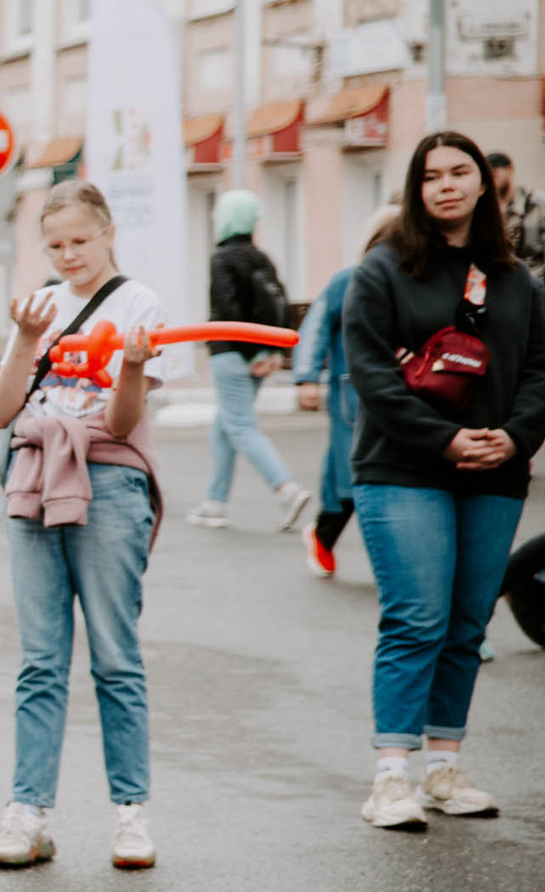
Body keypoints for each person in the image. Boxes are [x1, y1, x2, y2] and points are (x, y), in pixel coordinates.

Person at [0, 181, 191, 873]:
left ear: (107, 233)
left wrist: (130, 364)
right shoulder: (38, 305)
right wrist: (25, 338)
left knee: (114, 654)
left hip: (108, 481)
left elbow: (124, 420)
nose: (68, 255)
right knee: (40, 659)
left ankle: (131, 815)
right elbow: (0, 409)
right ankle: (27, 811)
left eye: (79, 240)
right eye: (55, 244)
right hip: (35, 478)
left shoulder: (139, 304)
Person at [344, 132, 545, 830]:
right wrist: (445, 438)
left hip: (495, 470)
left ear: (484, 185)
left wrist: (515, 437)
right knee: (417, 620)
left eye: (461, 172)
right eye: (431, 176)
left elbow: (540, 372)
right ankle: (391, 777)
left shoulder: (519, 280)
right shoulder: (383, 271)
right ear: (415, 188)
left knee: (465, 625)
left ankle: (443, 768)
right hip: (404, 470)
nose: (447, 185)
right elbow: (370, 375)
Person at [189, 189, 311, 532]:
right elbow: (276, 306)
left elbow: (228, 311)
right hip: (259, 354)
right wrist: (269, 353)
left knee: (239, 426)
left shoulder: (222, 259)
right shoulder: (262, 258)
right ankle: (215, 502)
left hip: (231, 354)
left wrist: (251, 354)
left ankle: (286, 488)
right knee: (224, 426)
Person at [293, 209, 400, 579]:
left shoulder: (423, 284)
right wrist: (306, 378)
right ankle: (323, 537)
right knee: (349, 479)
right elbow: (315, 326)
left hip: (406, 400)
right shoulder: (349, 281)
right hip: (351, 402)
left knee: (393, 481)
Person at [487, 151, 545, 280]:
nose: (492, 180)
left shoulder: (536, 204)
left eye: (495, 174)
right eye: (487, 176)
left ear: (509, 169)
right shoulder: (486, 210)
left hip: (537, 279)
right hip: (504, 283)